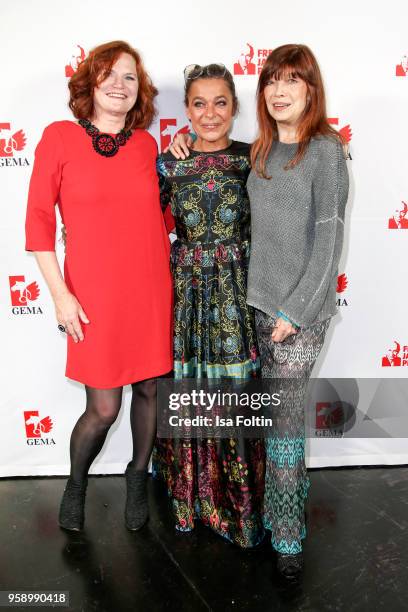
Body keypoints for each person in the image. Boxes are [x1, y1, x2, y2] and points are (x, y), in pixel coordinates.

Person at [169, 44, 349, 579]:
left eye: (291, 81)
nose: (279, 90)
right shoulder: (261, 150)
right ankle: (267, 518)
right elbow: (212, 163)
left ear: (310, 90)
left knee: (286, 427)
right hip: (250, 308)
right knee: (263, 425)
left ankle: (289, 541)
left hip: (296, 319)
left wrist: (294, 312)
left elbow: (328, 239)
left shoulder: (326, 151)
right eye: (271, 81)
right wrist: (183, 140)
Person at [25, 40, 173, 532]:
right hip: (93, 295)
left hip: (149, 287)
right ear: (89, 83)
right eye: (109, 74)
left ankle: (136, 479)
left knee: (149, 390)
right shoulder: (59, 138)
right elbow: (39, 223)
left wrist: (182, 164)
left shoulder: (147, 145)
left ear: (140, 91)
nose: (119, 84)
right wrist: (60, 295)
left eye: (129, 77)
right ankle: (77, 483)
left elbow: (161, 215)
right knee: (104, 407)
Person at [152, 64, 265, 548]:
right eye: (199, 103)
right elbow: (137, 225)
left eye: (221, 102)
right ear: (187, 111)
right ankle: (190, 501)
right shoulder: (167, 163)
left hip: (239, 292)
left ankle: (236, 504)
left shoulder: (254, 158)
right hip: (187, 294)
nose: (210, 113)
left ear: (235, 108)